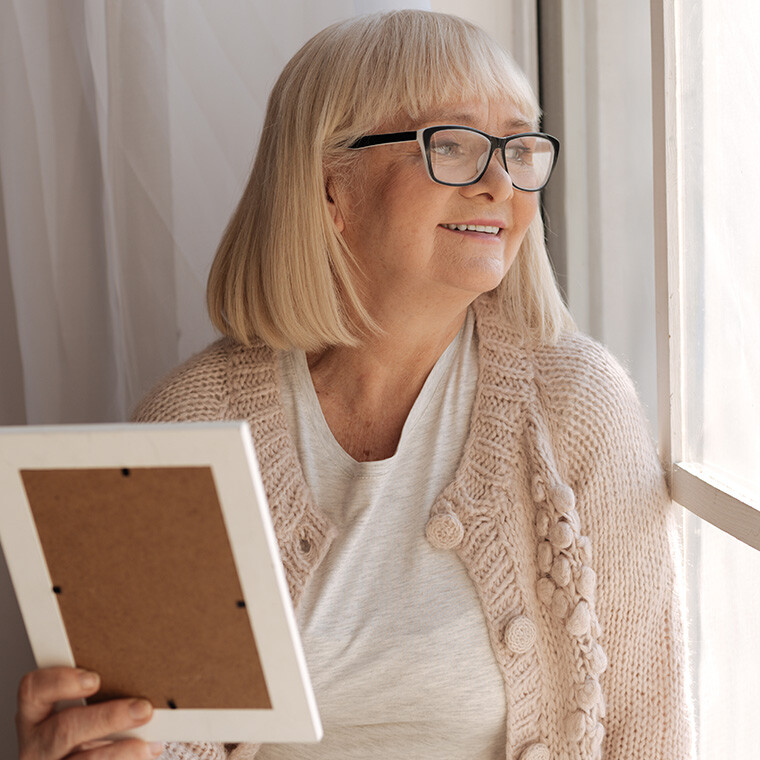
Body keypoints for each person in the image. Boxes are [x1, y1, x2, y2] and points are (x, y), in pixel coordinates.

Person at [15, 10, 692, 760]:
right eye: (455, 145)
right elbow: (159, 739)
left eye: (519, 146)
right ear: (332, 187)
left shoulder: (577, 405)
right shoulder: (186, 424)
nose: (501, 184)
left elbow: (649, 730)